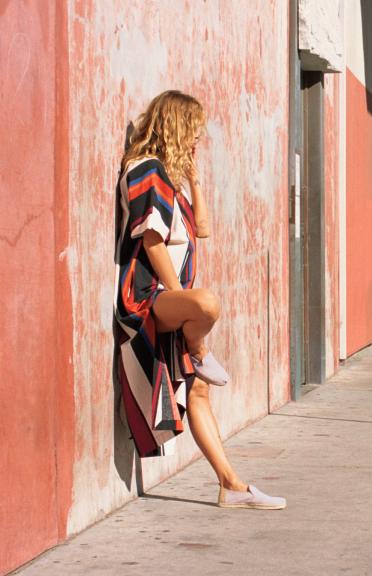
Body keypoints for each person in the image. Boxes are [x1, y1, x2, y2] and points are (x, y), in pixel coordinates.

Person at [114, 90, 285, 510]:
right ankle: (200, 348)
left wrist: (193, 178)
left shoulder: (169, 181)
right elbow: (152, 243)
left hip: (170, 301)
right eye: (193, 131)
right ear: (175, 126)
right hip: (147, 297)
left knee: (200, 395)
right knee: (207, 304)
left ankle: (232, 485)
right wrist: (181, 298)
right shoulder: (145, 171)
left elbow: (202, 228)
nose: (197, 140)